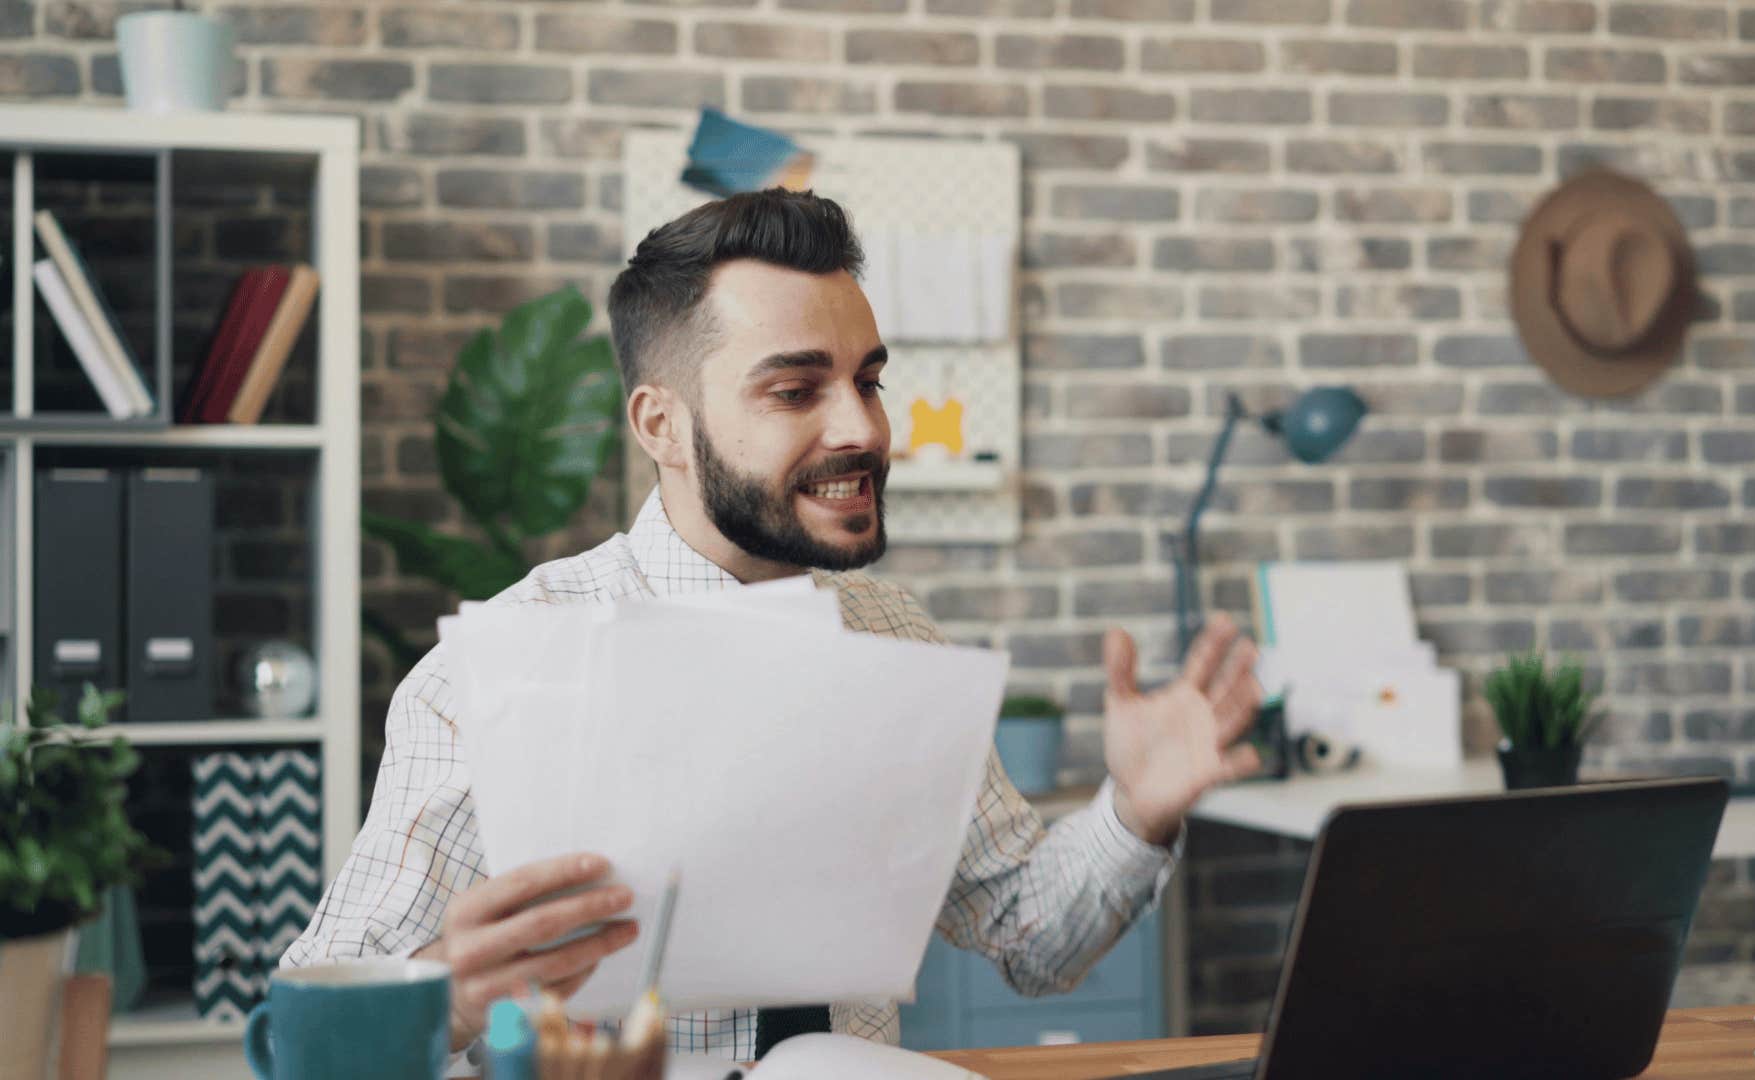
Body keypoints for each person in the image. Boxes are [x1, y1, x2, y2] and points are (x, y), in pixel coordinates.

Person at [285, 189, 1264, 1061]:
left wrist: (1138, 810)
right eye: (796, 390)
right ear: (660, 425)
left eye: (868, 381)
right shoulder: (509, 663)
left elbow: (1027, 938)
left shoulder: (893, 635)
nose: (864, 431)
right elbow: (305, 1045)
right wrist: (448, 997)